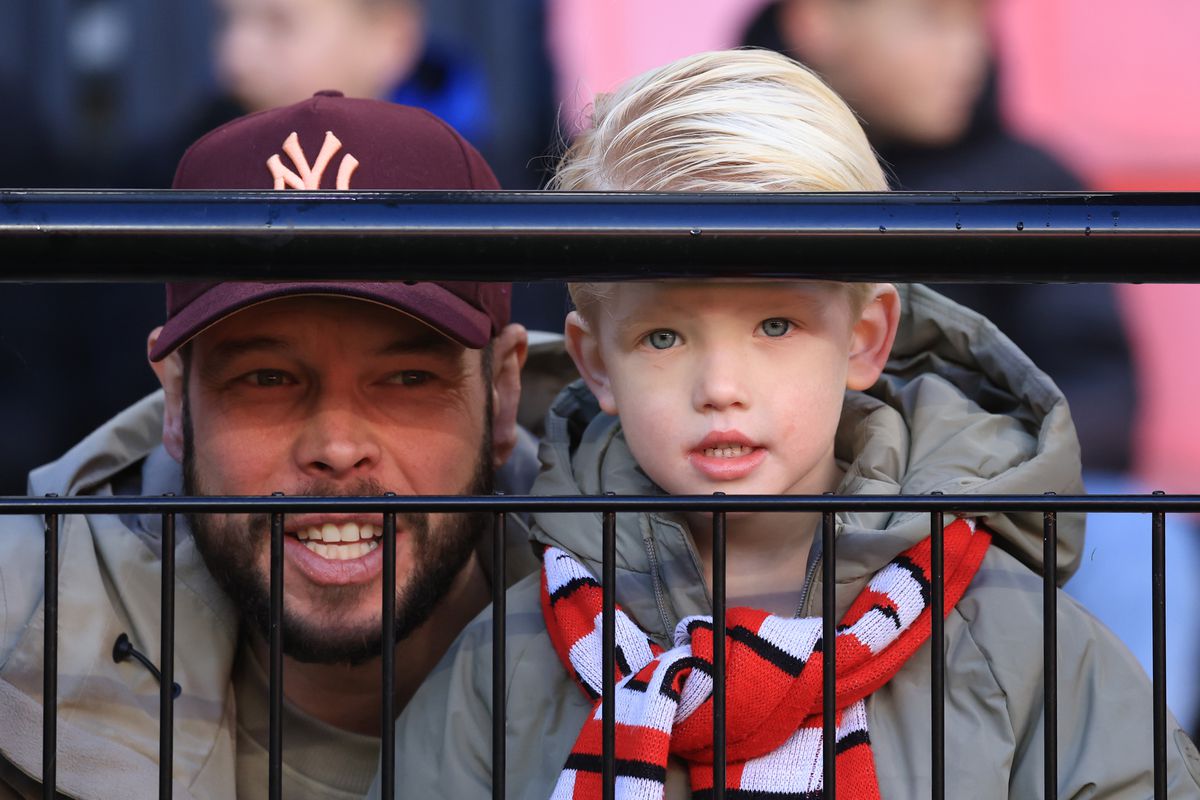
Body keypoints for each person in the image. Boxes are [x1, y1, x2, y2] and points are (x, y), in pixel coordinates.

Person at [378, 50, 1200, 798]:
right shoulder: (513, 657)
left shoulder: (1010, 639)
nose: (722, 387)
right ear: (597, 365)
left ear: (866, 338)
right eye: (663, 336)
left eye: (776, 326)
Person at [0, 92, 544, 799]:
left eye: (407, 378)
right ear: (175, 401)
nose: (338, 446)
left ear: (502, 392)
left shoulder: (676, 650)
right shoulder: (16, 641)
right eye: (267, 379)